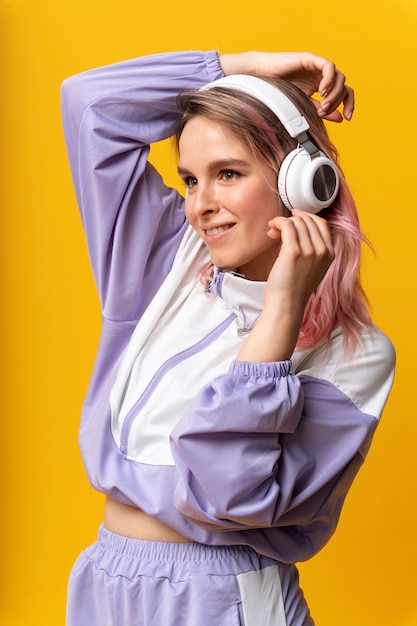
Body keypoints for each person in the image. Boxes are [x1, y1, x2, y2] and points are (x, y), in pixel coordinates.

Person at [61, 49, 395, 626]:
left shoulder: (355, 357)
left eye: (229, 174)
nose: (200, 206)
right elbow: (91, 105)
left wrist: (282, 313)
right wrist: (236, 68)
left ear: (304, 185)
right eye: (191, 179)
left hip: (222, 598)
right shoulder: (167, 261)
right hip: (105, 579)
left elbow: (226, 498)